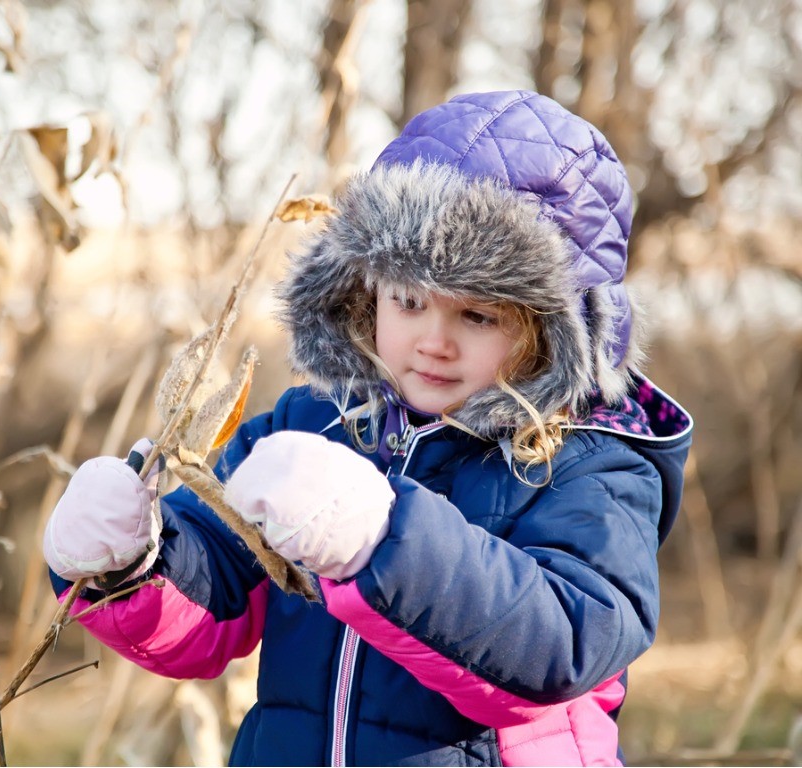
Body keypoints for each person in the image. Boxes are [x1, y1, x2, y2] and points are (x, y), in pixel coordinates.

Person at [42, 90, 693, 766]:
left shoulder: (591, 463)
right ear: (365, 290)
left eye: (477, 316)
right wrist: (133, 562)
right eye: (409, 301)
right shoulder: (317, 422)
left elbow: (562, 646)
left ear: (554, 331)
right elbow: (214, 600)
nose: (432, 342)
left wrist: (383, 542)